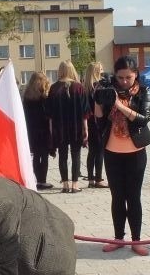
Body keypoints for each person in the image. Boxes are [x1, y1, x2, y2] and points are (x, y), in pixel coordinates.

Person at [94, 55, 150, 256]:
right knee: (117, 197)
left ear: (135, 74)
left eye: (128, 77)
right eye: (120, 77)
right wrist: (98, 100)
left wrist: (120, 106)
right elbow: (99, 121)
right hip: (112, 152)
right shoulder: (109, 91)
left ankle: (136, 240)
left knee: (133, 197)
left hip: (135, 152)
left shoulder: (143, 91)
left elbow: (144, 119)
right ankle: (119, 238)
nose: (125, 81)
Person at [47, 61, 89, 193]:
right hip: (76, 126)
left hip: (60, 127)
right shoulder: (79, 87)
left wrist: (51, 129)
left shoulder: (54, 88)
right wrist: (86, 129)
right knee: (76, 155)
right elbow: (85, 112)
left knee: (62, 155)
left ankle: (65, 184)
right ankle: (75, 185)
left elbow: (50, 113)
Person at [22, 71, 53, 190]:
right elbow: (48, 113)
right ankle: (42, 180)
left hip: (31, 128)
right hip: (44, 128)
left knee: (35, 155)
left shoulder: (27, 96)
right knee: (44, 155)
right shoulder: (45, 96)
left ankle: (36, 179)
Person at [83, 62, 109, 188]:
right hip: (98, 122)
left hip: (88, 122)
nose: (103, 72)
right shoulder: (99, 87)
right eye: (101, 69)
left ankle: (90, 179)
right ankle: (98, 179)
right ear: (97, 72)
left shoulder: (85, 88)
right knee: (99, 151)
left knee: (92, 152)